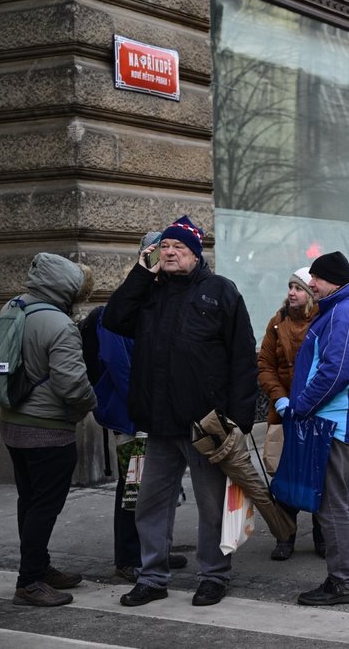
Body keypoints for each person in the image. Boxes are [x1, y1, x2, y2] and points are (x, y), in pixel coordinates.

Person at [104, 216, 258, 608]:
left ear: (196, 255)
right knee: (149, 503)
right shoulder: (149, 292)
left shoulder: (220, 292)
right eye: (165, 248)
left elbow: (242, 357)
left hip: (203, 423)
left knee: (210, 505)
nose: (170, 253)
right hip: (155, 421)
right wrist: (141, 273)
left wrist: (238, 419)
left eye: (179, 248)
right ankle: (152, 576)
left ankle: (214, 575)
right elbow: (114, 318)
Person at [79, 232, 188, 582]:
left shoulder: (160, 297)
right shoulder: (127, 301)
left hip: (154, 413)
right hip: (135, 417)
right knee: (134, 487)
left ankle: (155, 548)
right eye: (160, 252)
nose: (167, 258)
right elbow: (119, 364)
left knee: (157, 487)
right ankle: (129, 556)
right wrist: (148, 405)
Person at [0, 253, 96, 607]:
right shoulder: (58, 324)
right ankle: (29, 582)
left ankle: (38, 566)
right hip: (48, 430)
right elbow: (72, 384)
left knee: (30, 500)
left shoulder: (13, 307)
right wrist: (90, 403)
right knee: (45, 506)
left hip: (13, 424)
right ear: (66, 287)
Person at [292, 252, 349, 606]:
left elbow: (335, 372)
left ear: (334, 281)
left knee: (332, 505)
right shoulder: (343, 307)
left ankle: (343, 583)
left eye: (317, 278)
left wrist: (300, 406)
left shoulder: (343, 311)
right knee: (343, 502)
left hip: (334, 420)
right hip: (338, 417)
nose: (311, 284)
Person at [258, 267, 322, 560]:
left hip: (317, 413)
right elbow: (265, 366)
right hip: (284, 414)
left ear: (309, 293)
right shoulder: (277, 322)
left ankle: (323, 536)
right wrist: (279, 398)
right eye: (289, 287)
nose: (291, 293)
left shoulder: (323, 319)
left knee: (318, 475)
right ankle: (285, 536)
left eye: (297, 288)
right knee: (283, 479)